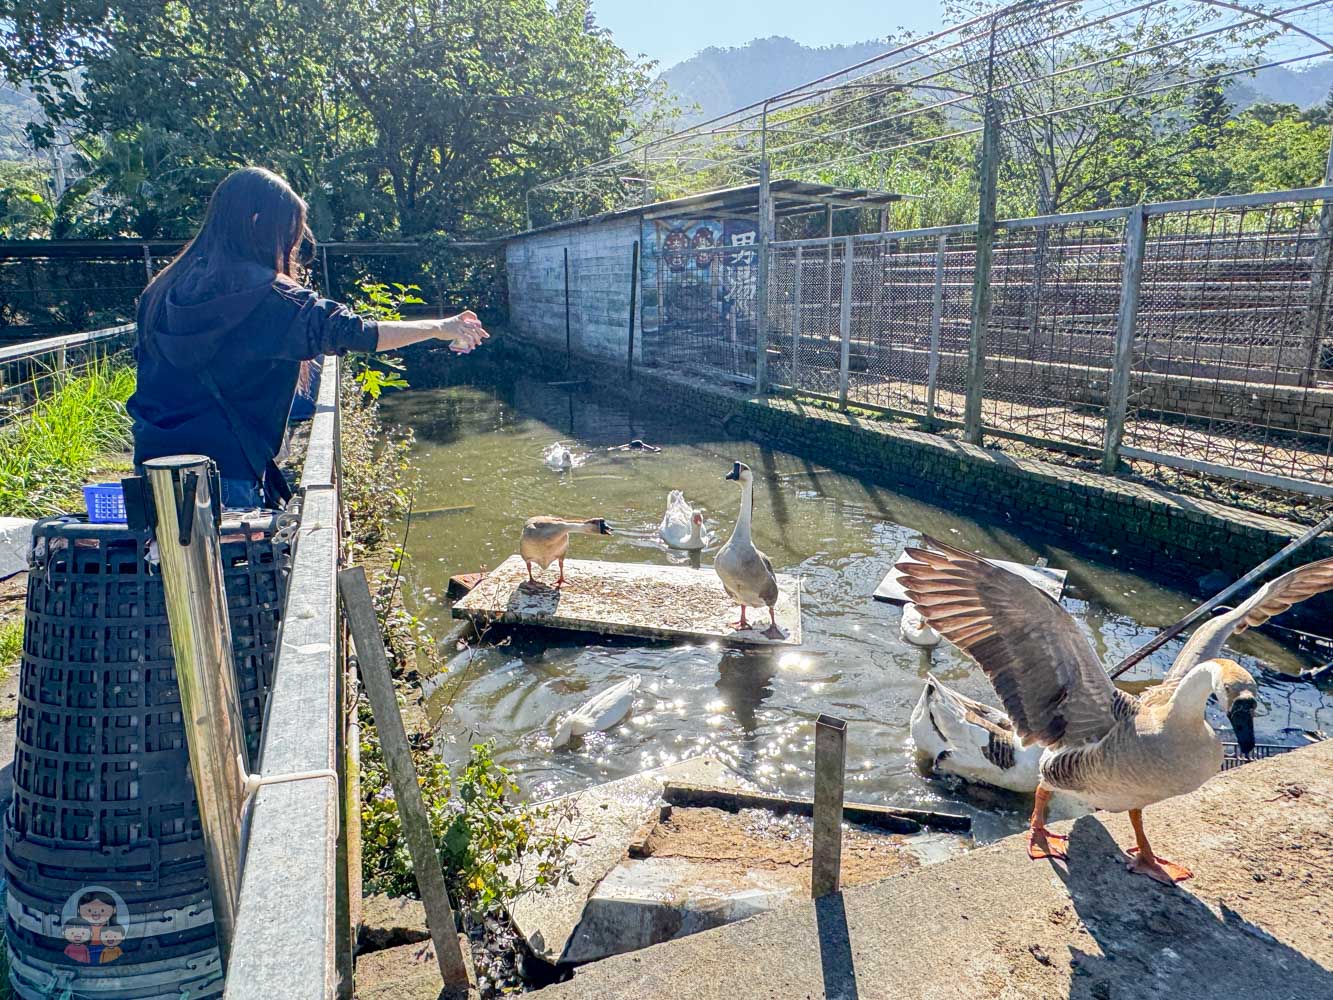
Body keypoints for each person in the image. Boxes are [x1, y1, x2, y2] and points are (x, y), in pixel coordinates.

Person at [129, 166, 488, 509]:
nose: (290, 247)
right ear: (258, 224)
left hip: (153, 464)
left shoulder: (161, 289)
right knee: (222, 569)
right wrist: (440, 327)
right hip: (228, 474)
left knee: (171, 566)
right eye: (289, 234)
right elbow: (359, 333)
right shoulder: (271, 296)